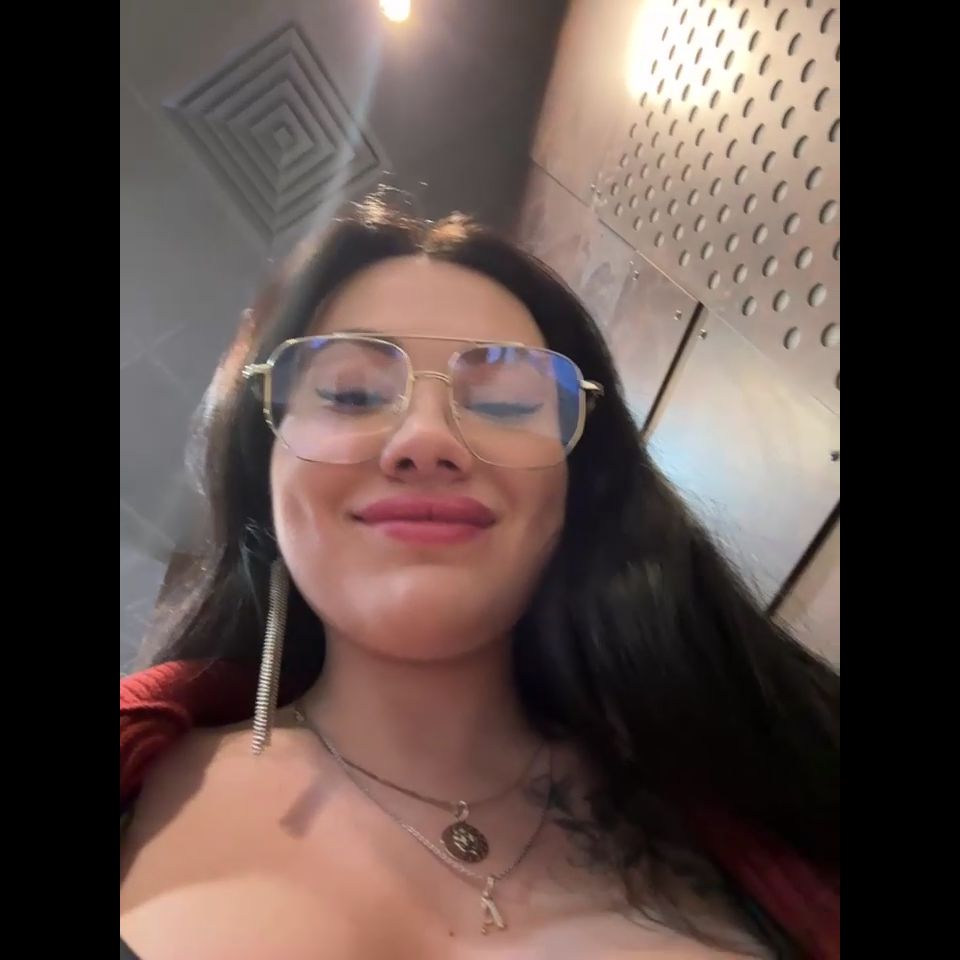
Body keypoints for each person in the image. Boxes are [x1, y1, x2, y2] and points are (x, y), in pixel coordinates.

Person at [120, 195, 839, 959]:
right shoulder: (145, 782)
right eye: (352, 394)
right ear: (263, 470)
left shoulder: (757, 789)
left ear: (578, 485)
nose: (427, 438)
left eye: (503, 403)